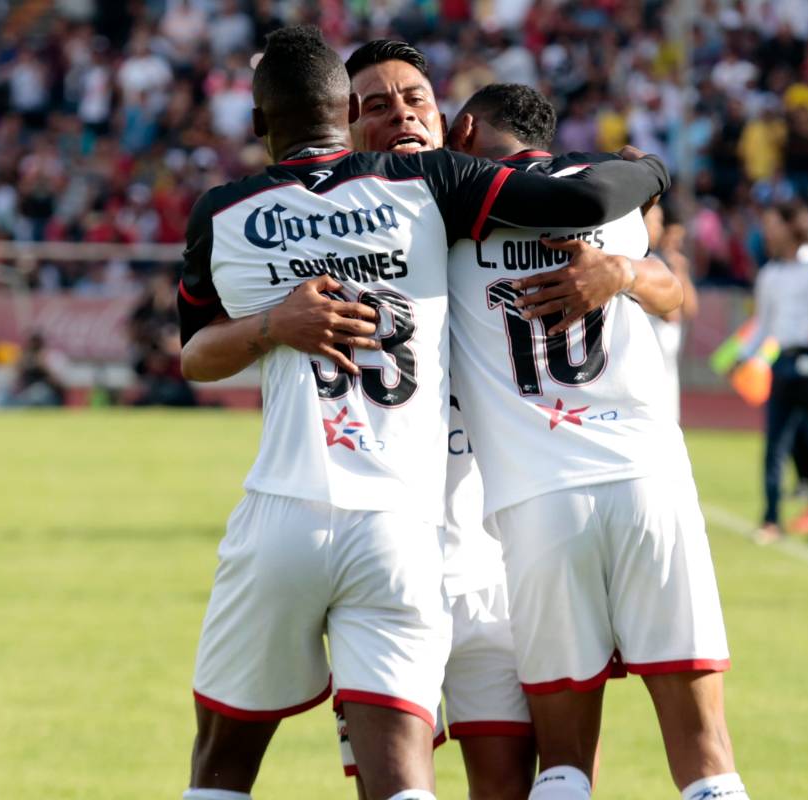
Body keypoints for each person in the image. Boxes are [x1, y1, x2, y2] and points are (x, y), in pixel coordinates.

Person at [176, 27, 669, 800]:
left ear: (451, 121)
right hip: (398, 536)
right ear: (345, 119)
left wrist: (633, 271)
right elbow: (199, 352)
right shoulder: (435, 191)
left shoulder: (459, 193)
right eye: (377, 105)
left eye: (416, 100)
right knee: (392, 778)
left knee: (498, 780)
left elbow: (655, 271)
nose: (401, 117)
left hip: (483, 555)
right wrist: (653, 170)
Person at [445, 84, 749, 800]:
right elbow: (673, 292)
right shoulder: (613, 207)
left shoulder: (448, 215)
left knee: (564, 761)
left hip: (537, 500)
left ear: (462, 129)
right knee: (705, 750)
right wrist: (625, 269)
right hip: (649, 481)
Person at [744, 203, 808, 544]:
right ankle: (771, 518)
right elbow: (763, 324)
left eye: (772, 223)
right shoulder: (770, 275)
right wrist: (744, 357)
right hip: (782, 362)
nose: (767, 232)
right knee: (777, 445)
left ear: (790, 224)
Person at [643, 204, 699, 422]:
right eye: (673, 236)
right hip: (651, 353)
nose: (676, 243)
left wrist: (681, 275)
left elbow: (690, 309)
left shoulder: (673, 263)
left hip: (668, 359)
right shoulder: (649, 263)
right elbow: (671, 314)